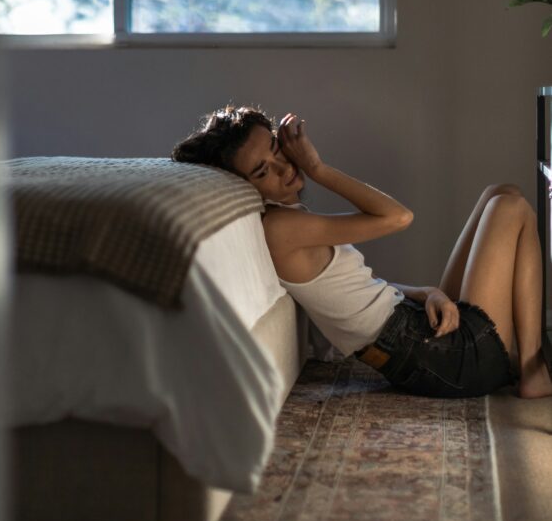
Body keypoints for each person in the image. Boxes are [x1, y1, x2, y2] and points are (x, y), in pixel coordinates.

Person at [172, 105, 552, 399]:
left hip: (420, 332)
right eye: (262, 172)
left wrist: (427, 292)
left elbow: (356, 293)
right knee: (511, 209)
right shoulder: (280, 228)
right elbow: (399, 217)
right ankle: (531, 364)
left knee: (500, 194)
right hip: (449, 362)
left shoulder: (285, 218)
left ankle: (520, 358)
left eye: (277, 150)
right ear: (246, 187)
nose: (284, 167)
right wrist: (316, 168)